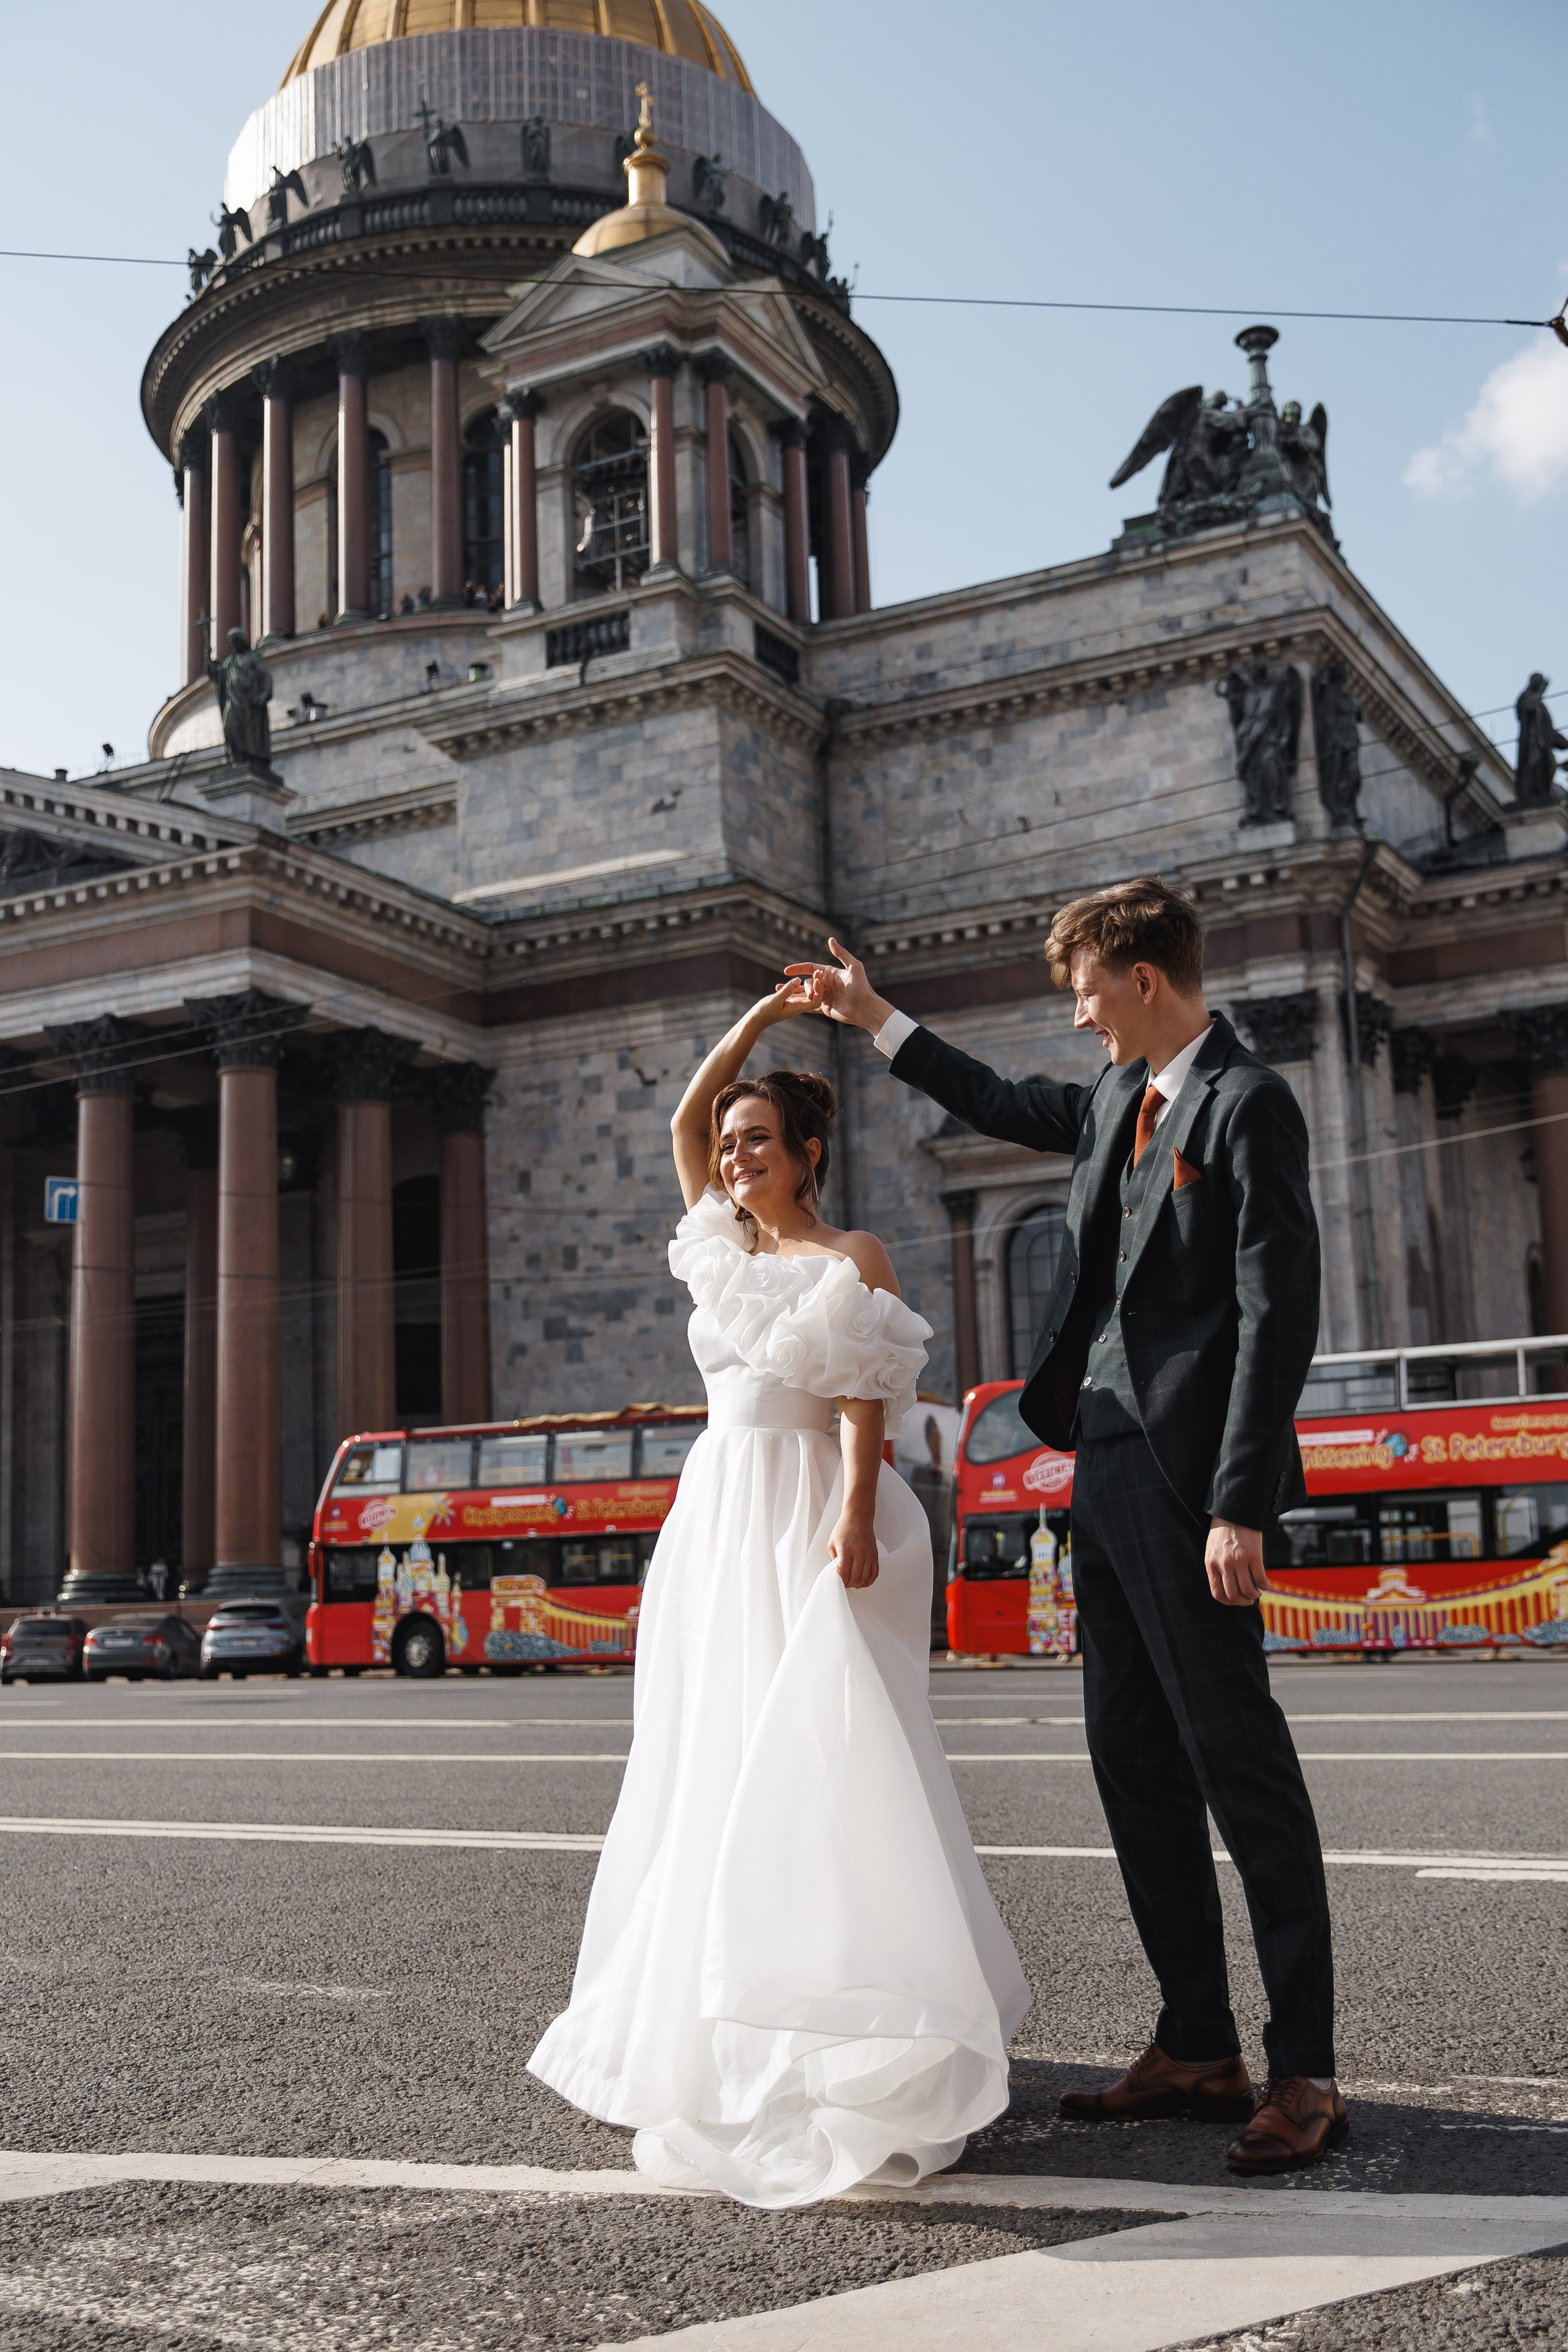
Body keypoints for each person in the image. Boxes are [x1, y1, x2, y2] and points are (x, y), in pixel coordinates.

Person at [788, 876, 1343, 2177]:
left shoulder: (1246, 1104)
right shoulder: (1109, 1102)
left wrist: (1238, 1500)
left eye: (1085, 993)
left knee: (1236, 1761)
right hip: (1093, 1463)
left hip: (1186, 1478)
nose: (1079, 1018)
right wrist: (874, 1017)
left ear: (1141, 978)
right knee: (1128, 1758)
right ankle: (1197, 2044)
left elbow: (1277, 1313)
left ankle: (1301, 2069)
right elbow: (993, 1101)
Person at [528, 987, 1029, 2209]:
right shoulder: (716, 1244)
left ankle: (836, 2007)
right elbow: (681, 1123)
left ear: (808, 1153)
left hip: (806, 1503)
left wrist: (853, 1517)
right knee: (707, 1752)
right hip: (714, 1513)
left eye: (764, 1140)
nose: (739, 1154)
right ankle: (717, 2019)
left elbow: (862, 1400)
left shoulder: (848, 1256)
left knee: (817, 1752)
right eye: (734, 1141)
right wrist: (753, 1023)